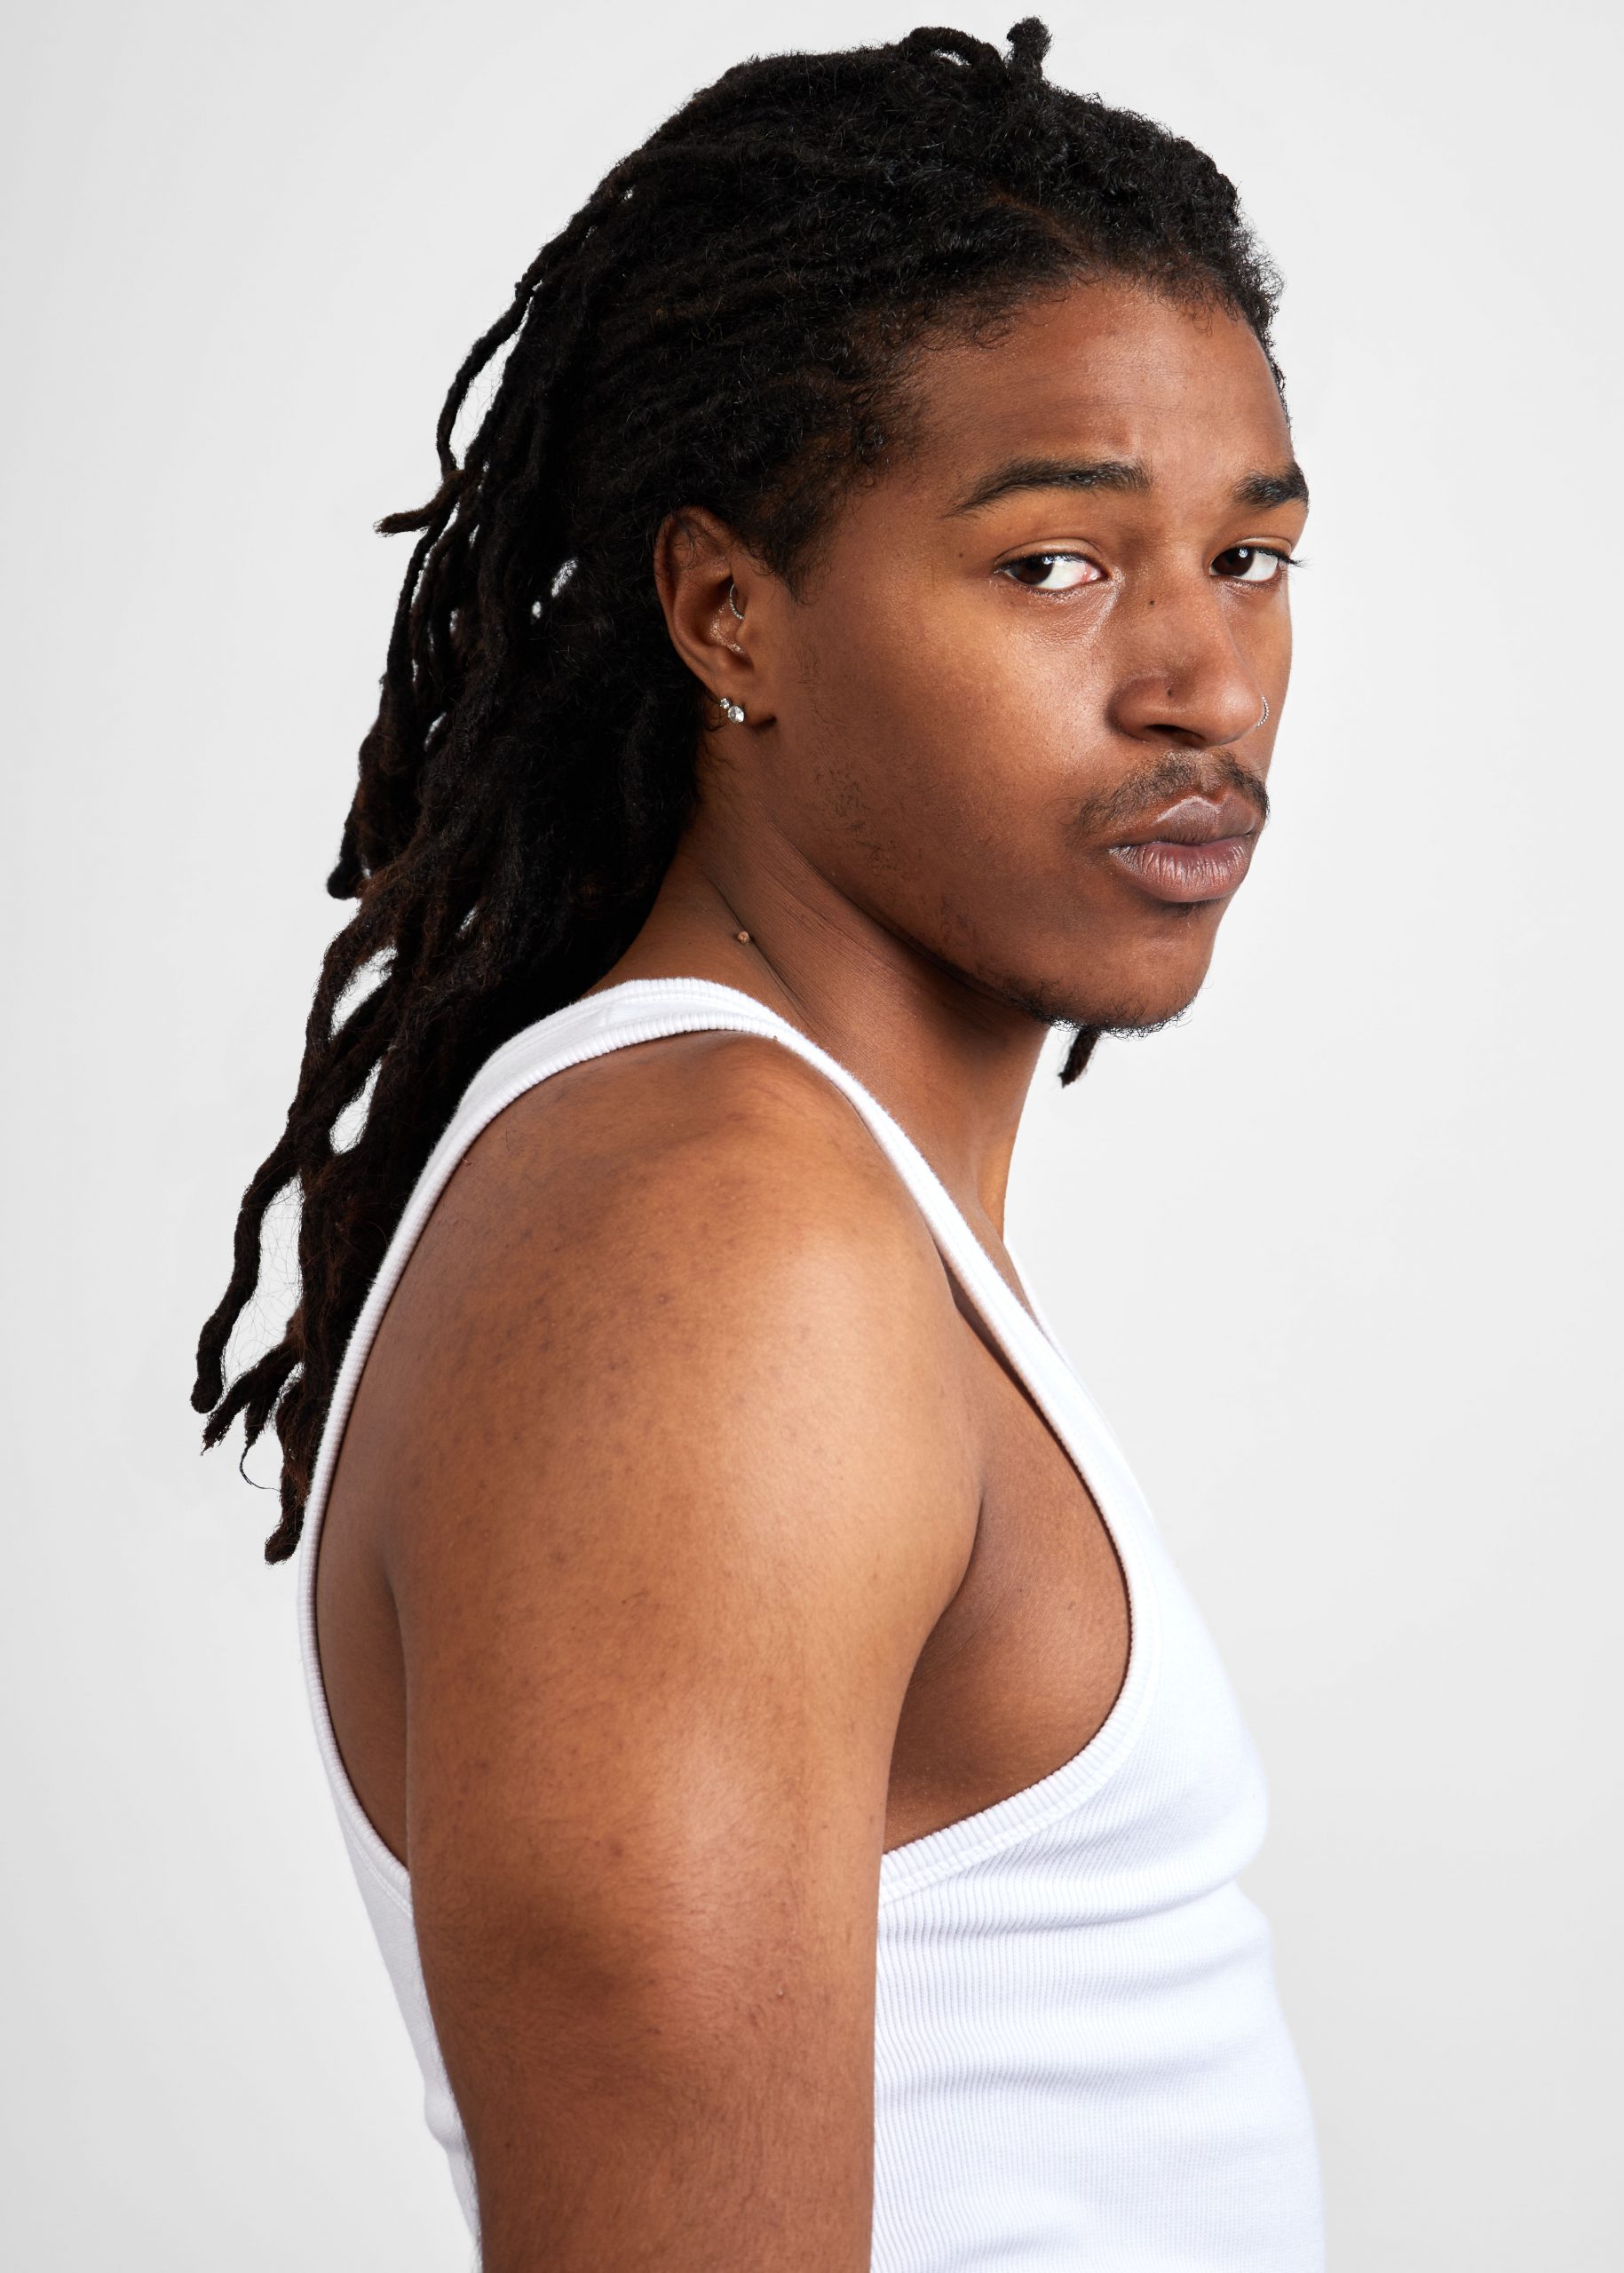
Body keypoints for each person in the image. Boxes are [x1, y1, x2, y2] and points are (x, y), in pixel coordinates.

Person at [194, 19, 1322, 2269]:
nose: (1201, 677)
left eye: (1251, 556)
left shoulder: (788, 1199)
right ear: (730, 611)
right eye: (1056, 566)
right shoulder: (716, 1252)